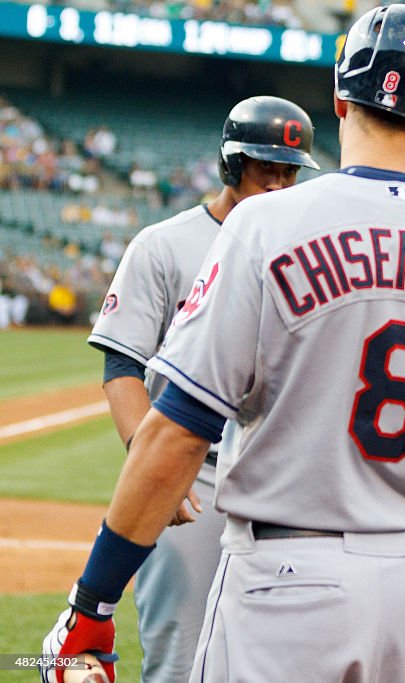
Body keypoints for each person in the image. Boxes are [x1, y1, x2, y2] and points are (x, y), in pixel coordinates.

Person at [40, 5, 405, 682]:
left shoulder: (266, 224)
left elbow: (176, 432)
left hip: (287, 579)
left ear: (339, 98)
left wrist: (92, 600)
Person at [78, 95, 321, 683]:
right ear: (231, 167)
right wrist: (152, 469)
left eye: (290, 172)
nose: (280, 184)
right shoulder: (163, 245)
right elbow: (121, 367)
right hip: (197, 472)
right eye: (267, 170)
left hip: (280, 474)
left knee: (281, 659)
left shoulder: (308, 252)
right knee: (179, 661)